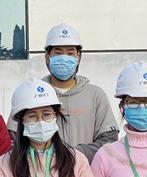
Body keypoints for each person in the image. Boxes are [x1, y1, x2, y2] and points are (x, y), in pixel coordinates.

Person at [7, 22, 117, 162]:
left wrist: (72, 155)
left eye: (70, 53)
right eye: (58, 53)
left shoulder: (95, 95)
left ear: (78, 57)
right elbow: (14, 136)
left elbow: (108, 142)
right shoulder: (30, 93)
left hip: (86, 172)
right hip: (39, 172)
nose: (64, 58)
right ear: (47, 57)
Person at [0, 80, 97, 177]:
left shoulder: (77, 160)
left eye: (46, 114)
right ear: (21, 121)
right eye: (32, 116)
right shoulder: (4, 165)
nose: (40, 122)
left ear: (55, 116)